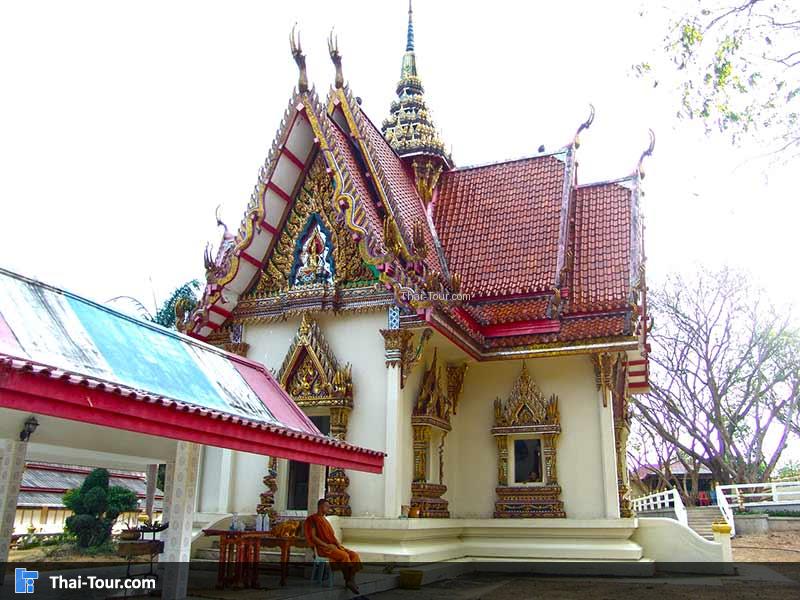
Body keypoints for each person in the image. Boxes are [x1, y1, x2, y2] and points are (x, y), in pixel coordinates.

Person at [304, 498, 362, 594]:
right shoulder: (312, 519)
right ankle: (348, 581)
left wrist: (338, 545)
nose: (328, 509)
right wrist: (327, 545)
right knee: (344, 556)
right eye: (327, 506)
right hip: (323, 548)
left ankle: (351, 580)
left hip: (332, 546)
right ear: (320, 506)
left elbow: (331, 536)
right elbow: (313, 538)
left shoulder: (325, 520)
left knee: (353, 555)